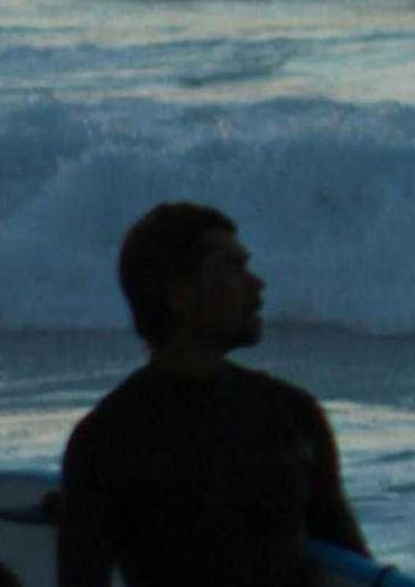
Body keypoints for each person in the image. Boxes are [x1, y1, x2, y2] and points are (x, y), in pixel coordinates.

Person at [58, 202, 369, 587]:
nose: (257, 285)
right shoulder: (108, 441)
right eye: (233, 269)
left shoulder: (293, 415)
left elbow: (353, 569)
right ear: (179, 296)